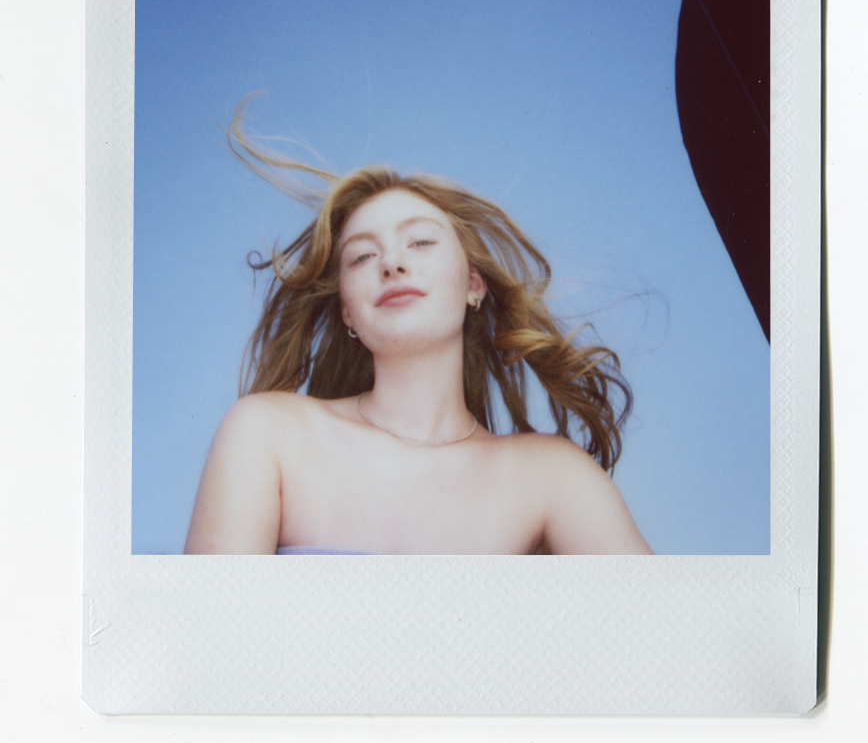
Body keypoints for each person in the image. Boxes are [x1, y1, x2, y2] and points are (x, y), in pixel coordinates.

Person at [185, 106, 652, 555]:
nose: (391, 262)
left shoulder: (553, 476)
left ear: (473, 285)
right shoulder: (267, 434)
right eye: (362, 256)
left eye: (421, 241)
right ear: (347, 311)